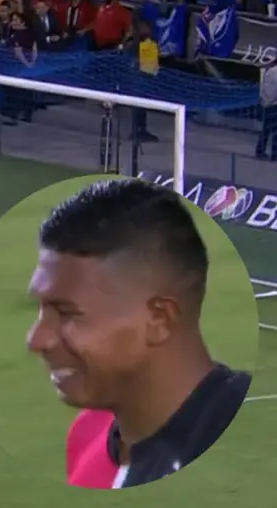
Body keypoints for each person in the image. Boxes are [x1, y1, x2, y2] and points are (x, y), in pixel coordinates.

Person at [26, 178, 251, 489]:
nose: (36, 340)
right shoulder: (88, 432)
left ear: (158, 320)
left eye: (68, 313)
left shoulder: (232, 429)